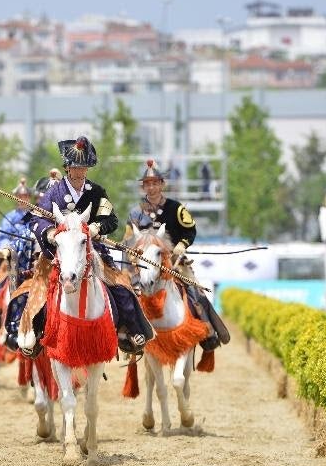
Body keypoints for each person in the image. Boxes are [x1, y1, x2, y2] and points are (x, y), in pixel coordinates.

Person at [27, 135, 154, 354]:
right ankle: (37, 332)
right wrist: (48, 232)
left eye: (83, 167)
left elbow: (111, 220)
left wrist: (97, 227)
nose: (79, 172)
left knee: (121, 286)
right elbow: (36, 219)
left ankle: (130, 330)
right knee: (39, 289)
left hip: (92, 250)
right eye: (75, 167)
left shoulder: (97, 192)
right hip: (59, 253)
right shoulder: (53, 192)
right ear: (67, 167)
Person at [127, 158, 229, 350]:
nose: (151, 188)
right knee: (126, 295)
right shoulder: (135, 213)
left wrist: (182, 245)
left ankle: (208, 331)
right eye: (148, 184)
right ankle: (129, 336)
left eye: (155, 183)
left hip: (174, 263)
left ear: (162, 184)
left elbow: (190, 230)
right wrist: (133, 256)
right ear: (143, 187)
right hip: (143, 265)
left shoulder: (176, 208)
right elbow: (128, 239)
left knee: (196, 292)